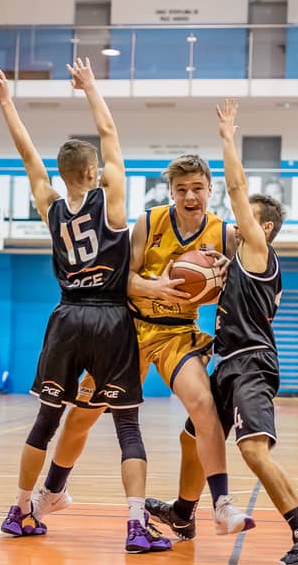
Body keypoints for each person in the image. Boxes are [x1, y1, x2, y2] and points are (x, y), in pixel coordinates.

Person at [0, 60, 170, 554]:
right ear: (93, 173)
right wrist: (90, 87)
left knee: (45, 422)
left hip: (66, 316)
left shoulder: (49, 204)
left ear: (63, 174)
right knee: (126, 423)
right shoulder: (111, 203)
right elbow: (109, 133)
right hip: (110, 316)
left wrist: (6, 102)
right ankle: (136, 524)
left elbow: (27, 154)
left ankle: (20, 509)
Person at [39, 150, 253, 543]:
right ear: (171, 192)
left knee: (203, 404)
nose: (190, 196)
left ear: (211, 190)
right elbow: (120, 279)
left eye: (198, 188)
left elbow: (245, 286)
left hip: (178, 333)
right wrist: (155, 287)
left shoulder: (225, 234)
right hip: (131, 331)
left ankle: (222, 503)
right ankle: (52, 491)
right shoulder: (149, 222)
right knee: (82, 416)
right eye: (182, 189)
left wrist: (225, 276)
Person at [210, 100, 298, 565]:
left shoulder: (257, 249)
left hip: (251, 362)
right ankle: (181, 512)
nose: (235, 223)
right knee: (195, 435)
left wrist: (227, 137)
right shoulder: (241, 260)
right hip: (229, 361)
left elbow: (236, 188)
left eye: (244, 218)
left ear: (262, 227)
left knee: (253, 450)